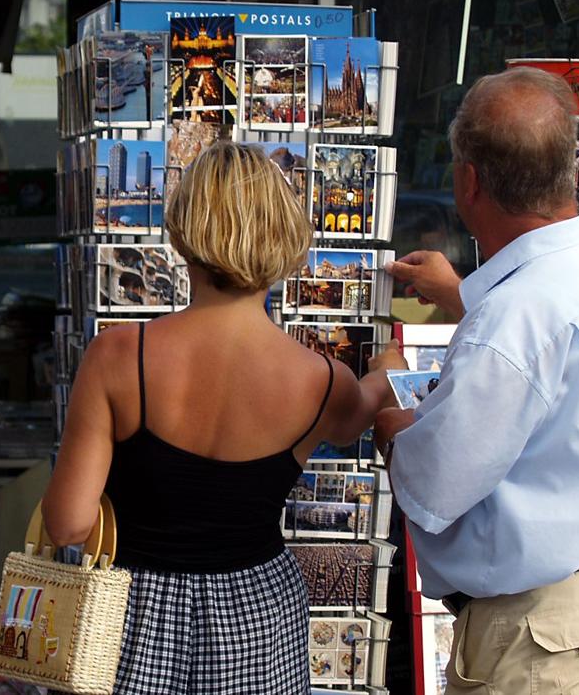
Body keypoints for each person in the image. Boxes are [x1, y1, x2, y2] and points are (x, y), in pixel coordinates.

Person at [41, 142, 406, 693]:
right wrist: (388, 371)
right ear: (285, 239)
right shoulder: (321, 381)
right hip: (258, 616)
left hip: (131, 616)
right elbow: (360, 410)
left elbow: (67, 523)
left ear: (182, 235)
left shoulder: (117, 357)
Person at [376, 67, 579, 694]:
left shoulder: (515, 317)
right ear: (571, 171)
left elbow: (432, 488)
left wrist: (392, 417)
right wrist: (465, 297)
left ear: (469, 182)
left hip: (547, 638)